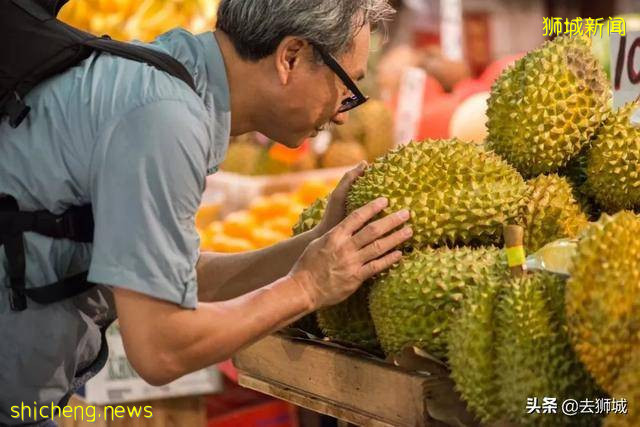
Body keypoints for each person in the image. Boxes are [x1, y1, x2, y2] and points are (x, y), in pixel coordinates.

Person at [0, 1, 412, 425]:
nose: (343, 116)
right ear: (291, 57)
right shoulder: (165, 117)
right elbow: (161, 348)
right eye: (348, 88)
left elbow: (174, 279)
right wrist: (307, 288)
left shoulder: (170, 75)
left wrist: (314, 246)